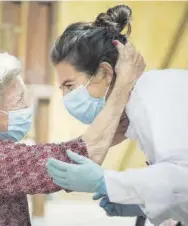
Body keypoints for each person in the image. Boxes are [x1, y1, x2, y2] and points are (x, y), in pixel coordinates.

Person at [0, 48, 144, 225]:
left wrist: (113, 132)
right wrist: (123, 85)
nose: (26, 107)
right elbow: (77, 159)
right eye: (18, 101)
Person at [47, 4, 188, 226]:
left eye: (70, 86)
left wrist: (107, 182)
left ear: (104, 72)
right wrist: (142, 203)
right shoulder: (142, 107)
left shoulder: (157, 96)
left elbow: (183, 179)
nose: (66, 98)